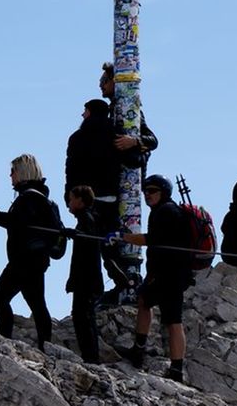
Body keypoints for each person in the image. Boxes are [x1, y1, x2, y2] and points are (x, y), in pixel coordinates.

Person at [0, 154, 56, 349]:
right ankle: (46, 346)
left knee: (0, 297)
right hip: (36, 259)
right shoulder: (37, 197)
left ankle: (5, 341)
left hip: (24, 260)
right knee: (36, 303)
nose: (10, 176)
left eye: (13, 171)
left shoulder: (28, 198)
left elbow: (16, 222)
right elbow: (17, 220)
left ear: (22, 172)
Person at [117, 174, 193, 383]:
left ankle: (170, 366)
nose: (147, 195)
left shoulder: (165, 212)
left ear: (164, 192)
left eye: (152, 191)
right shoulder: (170, 210)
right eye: (145, 191)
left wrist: (123, 237)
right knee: (146, 302)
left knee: (172, 321)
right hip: (171, 274)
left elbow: (152, 240)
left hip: (168, 275)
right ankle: (147, 353)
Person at [98, 62, 160, 302]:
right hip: (115, 183)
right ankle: (121, 279)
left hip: (127, 186)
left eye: (104, 81)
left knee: (111, 233)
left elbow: (153, 140)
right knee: (108, 235)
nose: (101, 85)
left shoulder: (129, 109)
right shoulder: (113, 110)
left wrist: (134, 142)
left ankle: (129, 280)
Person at [64, 98, 132, 293]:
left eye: (85, 110)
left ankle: (90, 291)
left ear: (91, 112)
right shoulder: (116, 135)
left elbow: (71, 170)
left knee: (87, 247)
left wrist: (69, 196)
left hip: (87, 200)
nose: (82, 115)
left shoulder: (77, 138)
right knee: (109, 244)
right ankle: (120, 275)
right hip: (111, 198)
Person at [63, 184, 104, 363]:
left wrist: (74, 234)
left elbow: (86, 244)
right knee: (84, 316)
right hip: (87, 279)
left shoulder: (87, 220)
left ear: (80, 201)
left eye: (71, 199)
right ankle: (91, 357)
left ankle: (91, 358)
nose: (69, 203)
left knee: (83, 317)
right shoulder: (89, 219)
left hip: (86, 280)